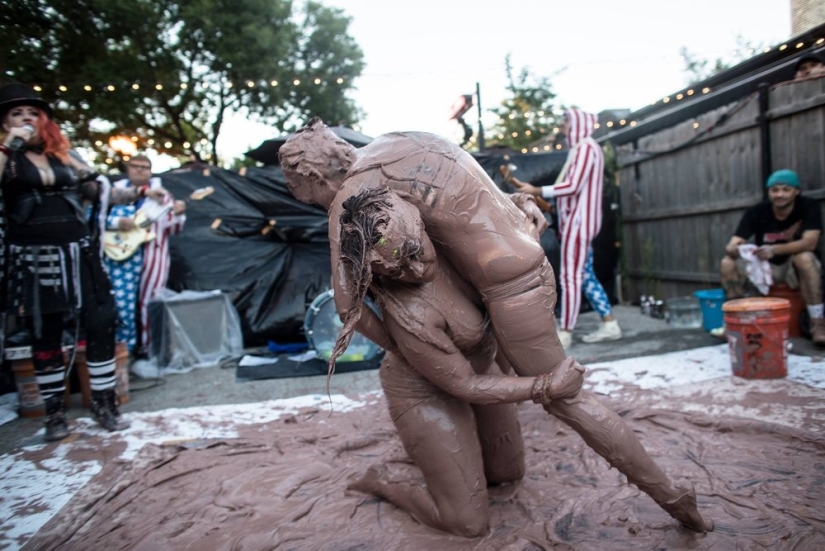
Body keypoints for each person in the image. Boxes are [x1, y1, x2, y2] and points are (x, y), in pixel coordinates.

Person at [280, 122, 714, 533]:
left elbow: (344, 303)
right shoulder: (399, 141)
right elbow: (465, 193)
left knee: (568, 399)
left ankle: (672, 497)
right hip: (531, 258)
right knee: (520, 378)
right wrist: (516, 204)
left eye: (311, 197)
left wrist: (394, 342)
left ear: (318, 179)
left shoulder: (352, 196)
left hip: (511, 288)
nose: (321, 207)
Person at [0, 83, 158, 440]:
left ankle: (105, 404)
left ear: (45, 120)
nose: (26, 118)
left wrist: (144, 192)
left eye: (32, 113)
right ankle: (55, 415)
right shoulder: (7, 158)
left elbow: (106, 193)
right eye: (16, 113)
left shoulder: (65, 157)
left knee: (102, 321)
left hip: (80, 253)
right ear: (5, 121)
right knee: (46, 333)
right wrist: (10, 142)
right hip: (34, 259)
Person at [509, 108, 621, 349]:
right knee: (586, 276)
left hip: (578, 224)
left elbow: (572, 186)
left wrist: (537, 191)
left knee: (570, 278)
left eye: (567, 125)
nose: (564, 130)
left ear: (577, 125)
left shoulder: (586, 148)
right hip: (577, 223)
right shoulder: (584, 150)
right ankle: (610, 324)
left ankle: (567, 332)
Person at [720, 169, 825, 344]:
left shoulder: (809, 206)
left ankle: (818, 323)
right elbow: (734, 242)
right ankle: (736, 320)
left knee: (804, 257)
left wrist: (774, 249)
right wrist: (735, 249)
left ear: (796, 191)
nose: (780, 194)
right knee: (727, 263)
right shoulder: (757, 211)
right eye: (774, 190)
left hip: (794, 268)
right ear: (769, 192)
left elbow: (810, 242)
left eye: (786, 189)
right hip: (764, 266)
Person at [104, 155, 186, 358]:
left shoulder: (161, 196)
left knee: (150, 304)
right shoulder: (113, 192)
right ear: (127, 168)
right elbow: (92, 218)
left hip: (152, 255)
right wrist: (117, 223)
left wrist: (179, 213)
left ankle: (149, 350)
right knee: (122, 306)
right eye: (136, 166)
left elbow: (172, 228)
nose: (140, 170)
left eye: (145, 167)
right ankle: (123, 353)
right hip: (119, 255)